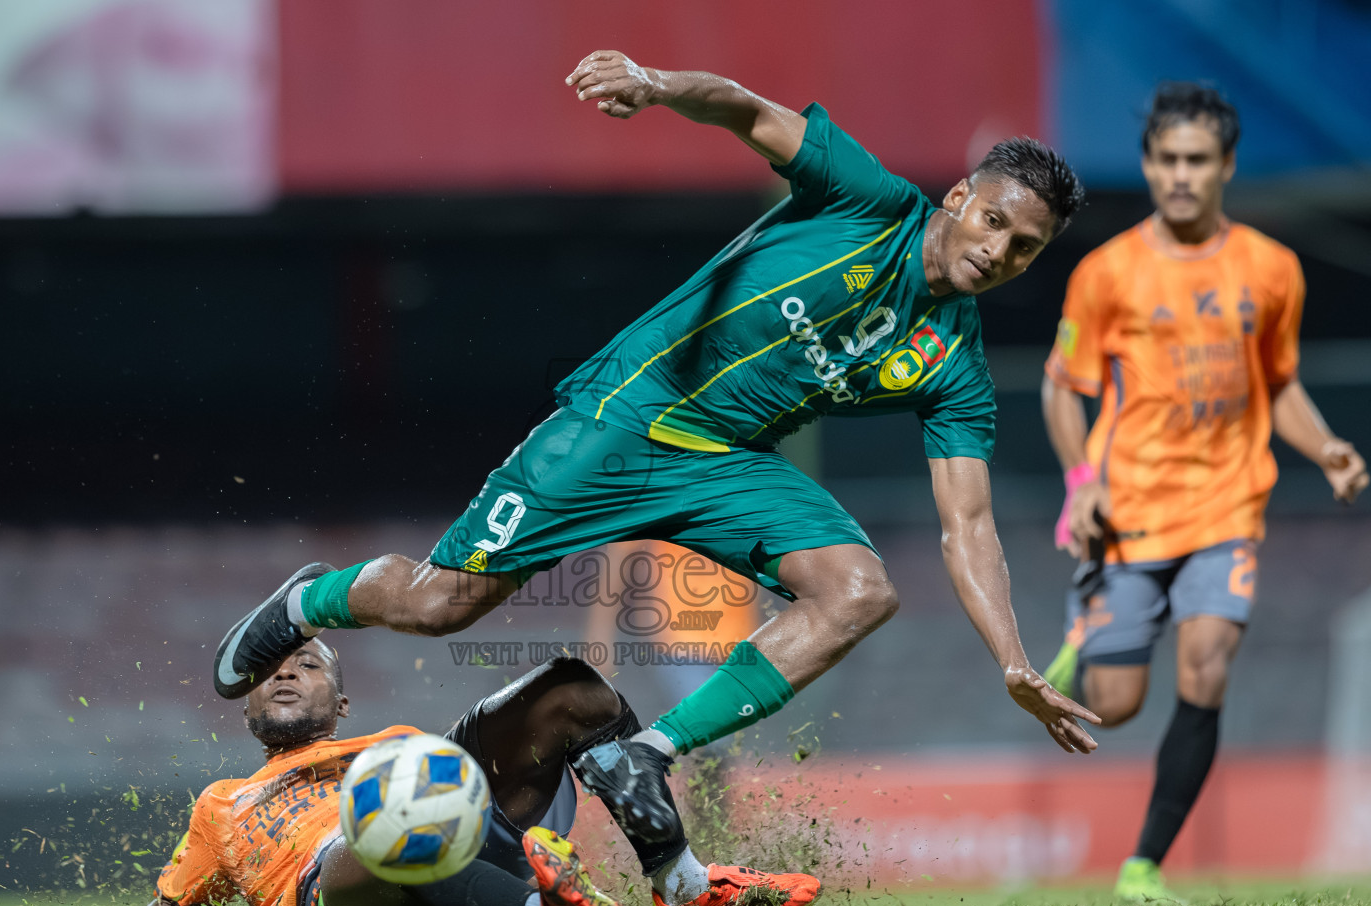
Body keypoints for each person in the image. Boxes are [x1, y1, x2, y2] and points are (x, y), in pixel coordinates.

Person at [213, 49, 1099, 850]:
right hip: (626, 415)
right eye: (994, 222)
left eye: (1025, 249)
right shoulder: (869, 202)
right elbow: (750, 109)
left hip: (722, 465)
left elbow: (969, 524)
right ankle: (313, 598)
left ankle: (644, 754)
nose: (1000, 250)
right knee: (443, 604)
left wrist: (1014, 661)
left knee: (859, 591)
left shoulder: (956, 368)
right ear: (960, 198)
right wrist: (657, 86)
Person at [1040, 83, 1368, 902]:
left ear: (1226, 166)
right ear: (1148, 165)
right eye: (1165, 160)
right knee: (1114, 705)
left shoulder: (1272, 268)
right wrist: (1081, 485)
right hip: (1130, 510)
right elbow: (1059, 388)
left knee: (1208, 665)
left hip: (1227, 507)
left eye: (1196, 160)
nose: (1179, 175)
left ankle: (1144, 866)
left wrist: (1325, 447)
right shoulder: (1107, 273)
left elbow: (1279, 382)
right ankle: (1090, 630)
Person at [36, 642, 818, 906]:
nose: (285, 671)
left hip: (474, 822)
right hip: (333, 886)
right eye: (274, 668)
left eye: (308, 665)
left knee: (572, 689)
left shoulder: (398, 748)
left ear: (342, 705)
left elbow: (453, 761)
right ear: (245, 707)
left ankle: (681, 883)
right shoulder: (222, 804)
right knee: (383, 818)